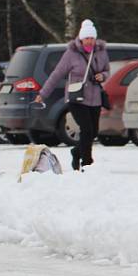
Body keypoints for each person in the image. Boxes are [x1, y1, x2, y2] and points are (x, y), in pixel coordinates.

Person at [36, 19, 109, 171]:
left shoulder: (101, 52)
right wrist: (43, 94)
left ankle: (76, 152)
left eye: (92, 38)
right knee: (86, 129)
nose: (89, 41)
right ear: (81, 39)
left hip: (94, 98)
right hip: (76, 98)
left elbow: (107, 70)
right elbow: (57, 74)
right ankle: (87, 162)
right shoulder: (71, 53)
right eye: (87, 38)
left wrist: (102, 76)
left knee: (93, 132)